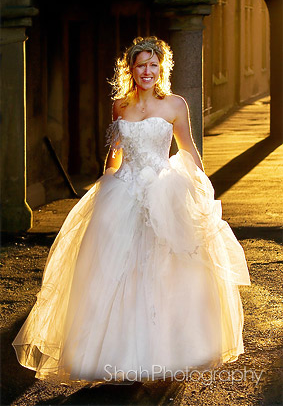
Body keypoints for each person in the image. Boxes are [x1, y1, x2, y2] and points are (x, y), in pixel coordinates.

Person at [12, 36, 251, 388]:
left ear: (162, 68)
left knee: (165, 269)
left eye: (154, 65)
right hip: (123, 190)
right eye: (141, 65)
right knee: (117, 270)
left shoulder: (175, 105)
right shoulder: (120, 106)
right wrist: (108, 184)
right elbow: (115, 154)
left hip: (162, 191)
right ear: (131, 69)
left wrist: (201, 190)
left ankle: (170, 352)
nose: (148, 71)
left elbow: (187, 151)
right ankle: (122, 356)